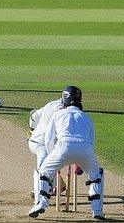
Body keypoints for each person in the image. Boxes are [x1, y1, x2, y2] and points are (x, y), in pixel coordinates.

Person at [28, 86, 105, 219]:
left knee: (44, 172)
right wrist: (82, 163)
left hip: (63, 147)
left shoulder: (58, 114)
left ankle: (42, 203)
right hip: (86, 149)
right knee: (96, 175)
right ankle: (97, 210)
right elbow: (92, 141)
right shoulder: (87, 117)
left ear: (65, 99)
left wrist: (54, 158)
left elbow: (49, 139)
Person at [27, 98, 65, 205]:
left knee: (51, 163)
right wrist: (32, 131)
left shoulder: (52, 104)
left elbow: (34, 116)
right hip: (40, 142)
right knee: (44, 164)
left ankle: (58, 184)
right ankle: (39, 194)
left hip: (46, 141)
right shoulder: (58, 109)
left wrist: (31, 130)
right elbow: (34, 116)